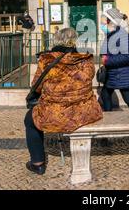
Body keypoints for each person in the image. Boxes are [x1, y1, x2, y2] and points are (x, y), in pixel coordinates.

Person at [24, 27, 103, 175]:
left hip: (55, 112)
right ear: (75, 41)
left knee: (30, 120)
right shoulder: (86, 59)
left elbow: (36, 86)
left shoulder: (47, 59)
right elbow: (89, 78)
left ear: (57, 40)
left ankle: (38, 163)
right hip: (84, 111)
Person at [99, 8, 129, 112]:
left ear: (111, 22)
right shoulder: (111, 34)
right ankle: (108, 114)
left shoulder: (122, 35)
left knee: (128, 98)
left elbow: (127, 57)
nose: (101, 25)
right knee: (105, 94)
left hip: (122, 74)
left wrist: (107, 60)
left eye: (103, 22)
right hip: (115, 73)